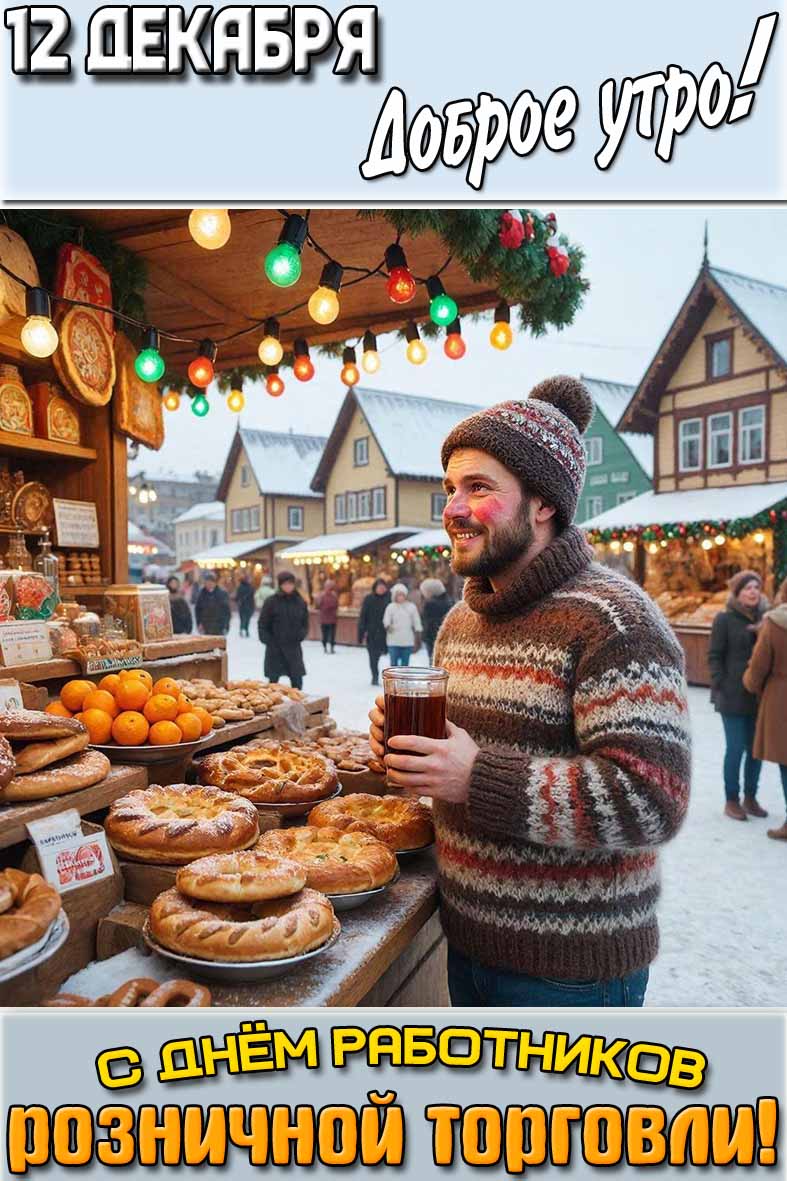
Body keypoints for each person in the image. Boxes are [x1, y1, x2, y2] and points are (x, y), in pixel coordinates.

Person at [369, 377, 690, 1008]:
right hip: (466, 944)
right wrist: (405, 750)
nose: (453, 508)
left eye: (479, 488)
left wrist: (477, 777)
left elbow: (652, 802)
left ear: (543, 504)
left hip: (571, 972)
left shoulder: (615, 622)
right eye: (450, 489)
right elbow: (452, 765)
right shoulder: (462, 621)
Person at [708, 570, 767, 821]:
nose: (753, 592)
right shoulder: (725, 619)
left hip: (758, 696)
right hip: (732, 696)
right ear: (737, 593)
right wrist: (721, 683)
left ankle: (750, 797)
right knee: (735, 749)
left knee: (756, 750)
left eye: (756, 587)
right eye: (747, 588)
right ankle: (731, 800)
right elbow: (714, 656)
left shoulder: (767, 620)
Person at [743, 577, 787, 840]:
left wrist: (750, 683)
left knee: (786, 763)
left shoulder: (775, 623)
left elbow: (758, 667)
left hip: (782, 700)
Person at [258, 571, 309, 690]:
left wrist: (301, 634)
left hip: (293, 646)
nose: (288, 586)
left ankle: (298, 705)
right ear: (280, 585)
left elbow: (305, 622)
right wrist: (267, 639)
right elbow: (263, 623)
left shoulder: (300, 602)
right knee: (273, 683)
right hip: (275, 647)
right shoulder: (271, 602)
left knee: (297, 681)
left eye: (290, 584)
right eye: (285, 584)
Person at [358, 578, 390, 686]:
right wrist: (361, 633)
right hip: (372, 632)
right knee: (373, 657)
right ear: (375, 588)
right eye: (379, 587)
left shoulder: (389, 599)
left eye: (383, 587)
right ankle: (375, 675)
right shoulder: (369, 599)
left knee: (385, 654)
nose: (381, 589)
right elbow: (363, 616)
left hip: (386, 633)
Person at [383, 583, 422, 667]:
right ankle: (393, 680)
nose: (400, 597)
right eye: (398, 595)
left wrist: (418, 631)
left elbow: (416, 620)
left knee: (405, 666)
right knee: (394, 665)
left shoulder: (411, 607)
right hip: (393, 640)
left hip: (407, 641)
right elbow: (386, 619)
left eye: (402, 595)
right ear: (394, 596)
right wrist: (388, 626)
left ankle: (403, 680)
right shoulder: (390, 607)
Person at [420, 578, 453, 663]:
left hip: (433, 638)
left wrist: (425, 637)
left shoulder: (430, 604)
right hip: (449, 638)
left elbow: (428, 624)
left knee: (434, 664)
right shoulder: (450, 601)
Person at [195, 571, 230, 636]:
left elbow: (226, 611)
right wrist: (199, 623)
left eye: (211, 582)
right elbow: (198, 610)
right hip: (206, 626)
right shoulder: (201, 594)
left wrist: (226, 625)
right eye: (207, 582)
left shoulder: (222, 594)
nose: (209, 584)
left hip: (219, 626)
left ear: (215, 583)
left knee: (218, 644)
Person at [316, 579, 339, 653]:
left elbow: (318, 606)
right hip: (327, 618)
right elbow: (336, 605)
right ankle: (328, 647)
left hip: (328, 618)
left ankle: (327, 647)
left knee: (327, 634)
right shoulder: (332, 595)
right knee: (329, 634)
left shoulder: (322, 595)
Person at [235, 573, 255, 638]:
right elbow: (252, 597)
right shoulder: (251, 587)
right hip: (248, 605)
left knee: (242, 618)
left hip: (242, 605)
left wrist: (237, 600)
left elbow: (237, 597)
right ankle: (246, 630)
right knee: (247, 619)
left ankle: (242, 630)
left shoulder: (240, 587)